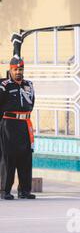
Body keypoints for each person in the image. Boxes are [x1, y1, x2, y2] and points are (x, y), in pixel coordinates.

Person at [0, 33, 36, 200]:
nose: (19, 72)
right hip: (9, 124)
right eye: (15, 69)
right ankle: (5, 190)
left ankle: (25, 190)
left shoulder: (29, 85)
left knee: (25, 157)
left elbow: (31, 104)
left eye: (21, 69)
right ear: (10, 70)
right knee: (9, 158)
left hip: (25, 125)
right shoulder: (4, 86)